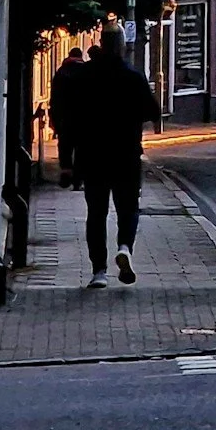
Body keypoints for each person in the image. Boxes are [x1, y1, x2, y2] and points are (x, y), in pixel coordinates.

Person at [76, 30, 160, 286]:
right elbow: (153, 111)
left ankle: (99, 271)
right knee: (128, 208)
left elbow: (73, 118)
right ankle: (124, 247)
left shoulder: (86, 75)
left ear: (101, 44)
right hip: (126, 154)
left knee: (96, 213)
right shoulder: (133, 77)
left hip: (93, 155)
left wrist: (68, 163)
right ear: (122, 47)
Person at [48, 46, 89, 184]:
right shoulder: (86, 71)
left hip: (64, 118)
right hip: (83, 118)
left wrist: (53, 118)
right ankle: (78, 177)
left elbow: (54, 98)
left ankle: (66, 170)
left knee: (65, 145)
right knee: (81, 148)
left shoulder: (61, 72)